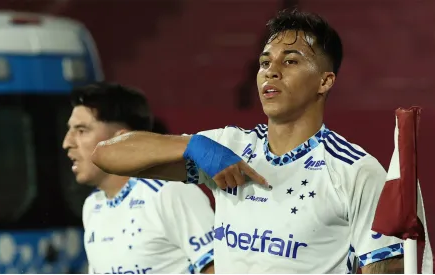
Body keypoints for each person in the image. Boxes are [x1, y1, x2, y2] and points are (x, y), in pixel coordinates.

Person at [91, 9, 404, 274]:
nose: (272, 72)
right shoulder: (230, 146)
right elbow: (106, 155)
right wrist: (192, 146)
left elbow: (384, 267)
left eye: (291, 61)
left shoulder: (355, 171)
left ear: (325, 81)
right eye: (265, 62)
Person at [62, 82, 215, 274]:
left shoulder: (170, 192)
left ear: (121, 141)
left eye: (81, 130)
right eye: (69, 131)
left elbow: (217, 268)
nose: (67, 143)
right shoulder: (93, 206)